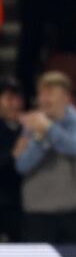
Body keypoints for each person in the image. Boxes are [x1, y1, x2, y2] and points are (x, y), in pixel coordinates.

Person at [14, 72, 76, 244]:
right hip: (39, 213)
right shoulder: (33, 123)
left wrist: (49, 129)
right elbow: (22, 165)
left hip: (75, 212)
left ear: (66, 97)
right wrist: (40, 140)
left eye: (50, 93)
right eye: (41, 94)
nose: (44, 99)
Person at [0, 79, 24, 242]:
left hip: (22, 204)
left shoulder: (27, 128)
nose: (14, 104)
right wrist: (13, 155)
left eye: (17, 98)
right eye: (8, 98)